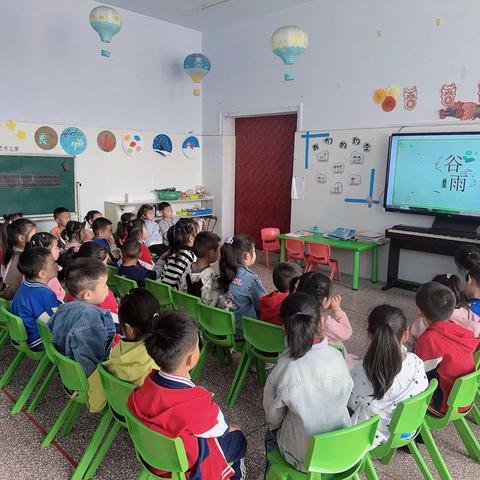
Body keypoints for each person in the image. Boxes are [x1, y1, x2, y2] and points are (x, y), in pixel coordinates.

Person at [128, 310, 247, 479]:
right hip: (185, 467)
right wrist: (233, 428)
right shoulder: (196, 402)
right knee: (238, 438)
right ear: (191, 359)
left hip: (154, 461)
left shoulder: (143, 388)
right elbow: (221, 428)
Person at [263, 292, 353, 473]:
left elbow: (273, 417)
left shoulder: (284, 368)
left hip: (303, 459)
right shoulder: (338, 356)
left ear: (285, 327)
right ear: (321, 322)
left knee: (269, 433)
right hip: (343, 452)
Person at [348, 304, 428, 447]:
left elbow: (350, 402)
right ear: (405, 335)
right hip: (406, 430)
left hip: (368, 438)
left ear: (369, 334)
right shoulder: (417, 363)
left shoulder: (362, 371)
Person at [48, 258, 116, 411]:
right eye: (104, 285)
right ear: (88, 295)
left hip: (70, 377)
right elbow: (93, 362)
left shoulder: (63, 309)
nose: (108, 289)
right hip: (86, 385)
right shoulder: (92, 320)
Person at [91, 288, 161, 411]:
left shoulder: (119, 351)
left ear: (128, 328)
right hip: (145, 421)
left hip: (120, 410)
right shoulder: (164, 358)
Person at [415, 282, 479, 414]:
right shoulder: (461, 331)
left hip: (444, 405)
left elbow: (417, 373)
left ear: (418, 310)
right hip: (465, 400)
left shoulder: (429, 338)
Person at [408, 273, 480, 350]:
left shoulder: (423, 321)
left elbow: (408, 341)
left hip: (429, 358)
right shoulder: (468, 314)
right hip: (464, 358)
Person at [11, 248, 61, 351]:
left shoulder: (25, 286)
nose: (56, 265)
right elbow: (56, 321)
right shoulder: (43, 293)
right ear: (42, 274)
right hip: (37, 341)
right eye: (53, 263)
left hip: (21, 338)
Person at [217, 235, 267, 337]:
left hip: (222, 328)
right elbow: (263, 306)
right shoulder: (252, 279)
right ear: (247, 256)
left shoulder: (224, 272)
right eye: (254, 251)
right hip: (242, 332)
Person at [291, 271, 352, 344]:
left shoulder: (292, 311)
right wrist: (337, 309)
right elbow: (347, 332)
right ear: (324, 301)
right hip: (326, 353)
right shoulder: (323, 322)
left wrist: (323, 308)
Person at [63, 242, 119, 318]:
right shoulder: (103, 296)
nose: (106, 266)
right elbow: (115, 317)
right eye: (105, 263)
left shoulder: (73, 287)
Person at [180, 231, 221, 305]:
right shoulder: (211, 274)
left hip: (187, 307)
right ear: (212, 253)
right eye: (218, 251)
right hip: (201, 313)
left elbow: (182, 287)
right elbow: (209, 302)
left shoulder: (189, 266)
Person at [0, 218, 37, 300]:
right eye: (34, 235)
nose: (36, 238)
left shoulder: (13, 253)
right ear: (21, 238)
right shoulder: (20, 259)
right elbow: (12, 289)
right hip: (15, 302)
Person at [159, 218, 198, 289]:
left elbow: (163, 278)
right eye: (197, 233)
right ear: (190, 238)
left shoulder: (174, 253)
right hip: (177, 297)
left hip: (164, 294)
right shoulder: (190, 256)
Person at [27, 232, 65, 302]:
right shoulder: (47, 275)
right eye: (56, 248)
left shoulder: (30, 268)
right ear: (46, 252)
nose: (58, 250)